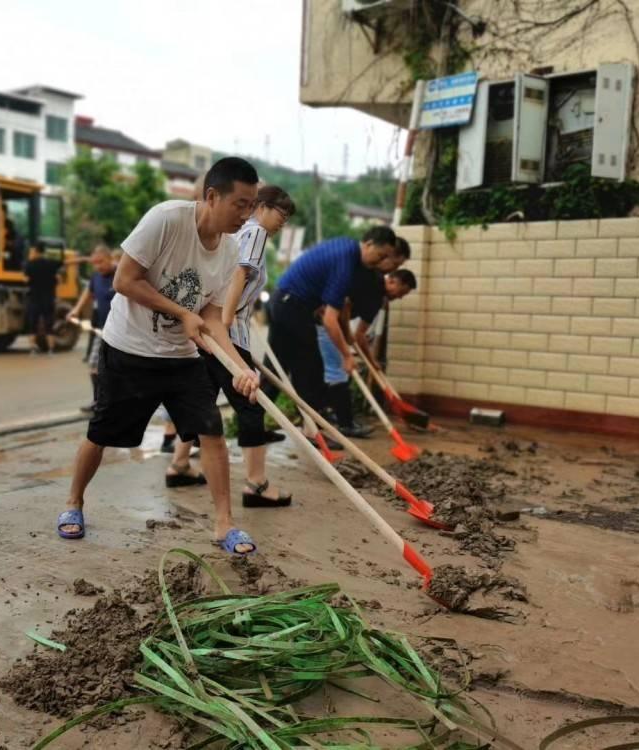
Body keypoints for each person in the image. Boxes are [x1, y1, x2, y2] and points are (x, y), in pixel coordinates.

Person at [56, 157, 262, 555]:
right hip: (129, 347)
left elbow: (212, 317)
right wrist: (181, 312)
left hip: (182, 358)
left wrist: (240, 368)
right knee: (100, 433)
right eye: (240, 204)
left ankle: (225, 525)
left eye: (252, 205)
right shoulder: (166, 220)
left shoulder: (230, 250)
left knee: (212, 432)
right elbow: (124, 280)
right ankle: (73, 503)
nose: (246, 214)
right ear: (212, 196)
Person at [171, 185, 296, 506]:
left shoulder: (240, 234)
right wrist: (225, 321)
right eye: (281, 214)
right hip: (227, 333)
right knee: (251, 402)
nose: (283, 222)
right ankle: (256, 485)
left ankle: (179, 465)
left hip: (217, 332)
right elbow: (239, 274)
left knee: (204, 399)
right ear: (262, 207)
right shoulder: (254, 233)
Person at [267, 226, 409, 417]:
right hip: (292, 306)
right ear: (368, 244)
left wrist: (347, 339)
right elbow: (330, 320)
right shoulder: (347, 262)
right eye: (381, 255)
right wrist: (347, 355)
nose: (381, 262)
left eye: (385, 259)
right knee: (311, 370)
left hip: (284, 301)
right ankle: (312, 433)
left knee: (275, 368)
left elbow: (337, 307)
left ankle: (254, 431)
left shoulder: (347, 251)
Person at [316, 267, 417, 434]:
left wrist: (372, 361)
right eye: (402, 292)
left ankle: (331, 413)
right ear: (393, 280)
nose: (399, 297)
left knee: (336, 372)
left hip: (334, 325)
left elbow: (360, 335)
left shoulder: (377, 301)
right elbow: (345, 303)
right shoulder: (372, 282)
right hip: (324, 322)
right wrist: (347, 334)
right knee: (337, 372)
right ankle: (346, 424)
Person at [66, 245, 117, 411]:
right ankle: (98, 401)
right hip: (102, 330)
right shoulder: (96, 277)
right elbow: (87, 294)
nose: (97, 266)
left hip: (123, 330)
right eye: (94, 263)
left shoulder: (122, 273)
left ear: (110, 259)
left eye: (101, 262)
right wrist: (75, 310)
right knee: (94, 367)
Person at [23, 243, 68, 354]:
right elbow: (64, 264)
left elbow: (26, 280)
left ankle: (33, 349)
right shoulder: (51, 264)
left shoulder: (30, 265)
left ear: (36, 251)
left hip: (34, 298)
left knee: (33, 324)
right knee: (49, 324)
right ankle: (51, 349)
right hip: (48, 299)